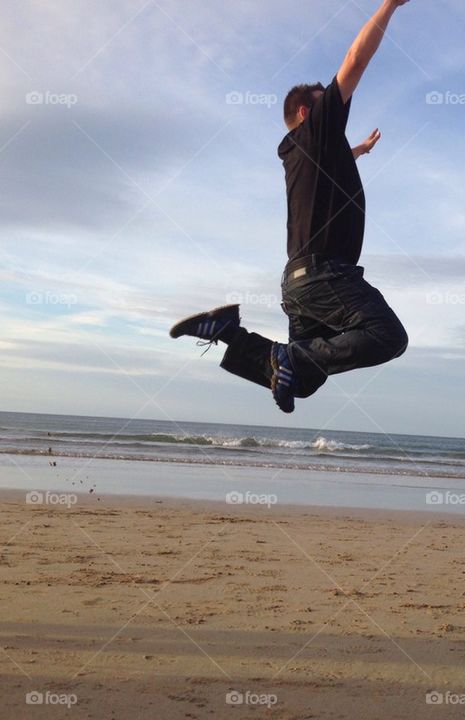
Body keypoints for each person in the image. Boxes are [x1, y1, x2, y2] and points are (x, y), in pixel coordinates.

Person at [170, 0, 411, 413]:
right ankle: (286, 356)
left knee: (303, 382)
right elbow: (355, 61)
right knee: (388, 336)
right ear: (306, 112)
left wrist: (358, 151)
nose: (338, 106)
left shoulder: (300, 152)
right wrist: (389, 5)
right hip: (325, 275)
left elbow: (332, 165)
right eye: (326, 101)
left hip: (299, 284)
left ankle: (229, 332)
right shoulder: (315, 131)